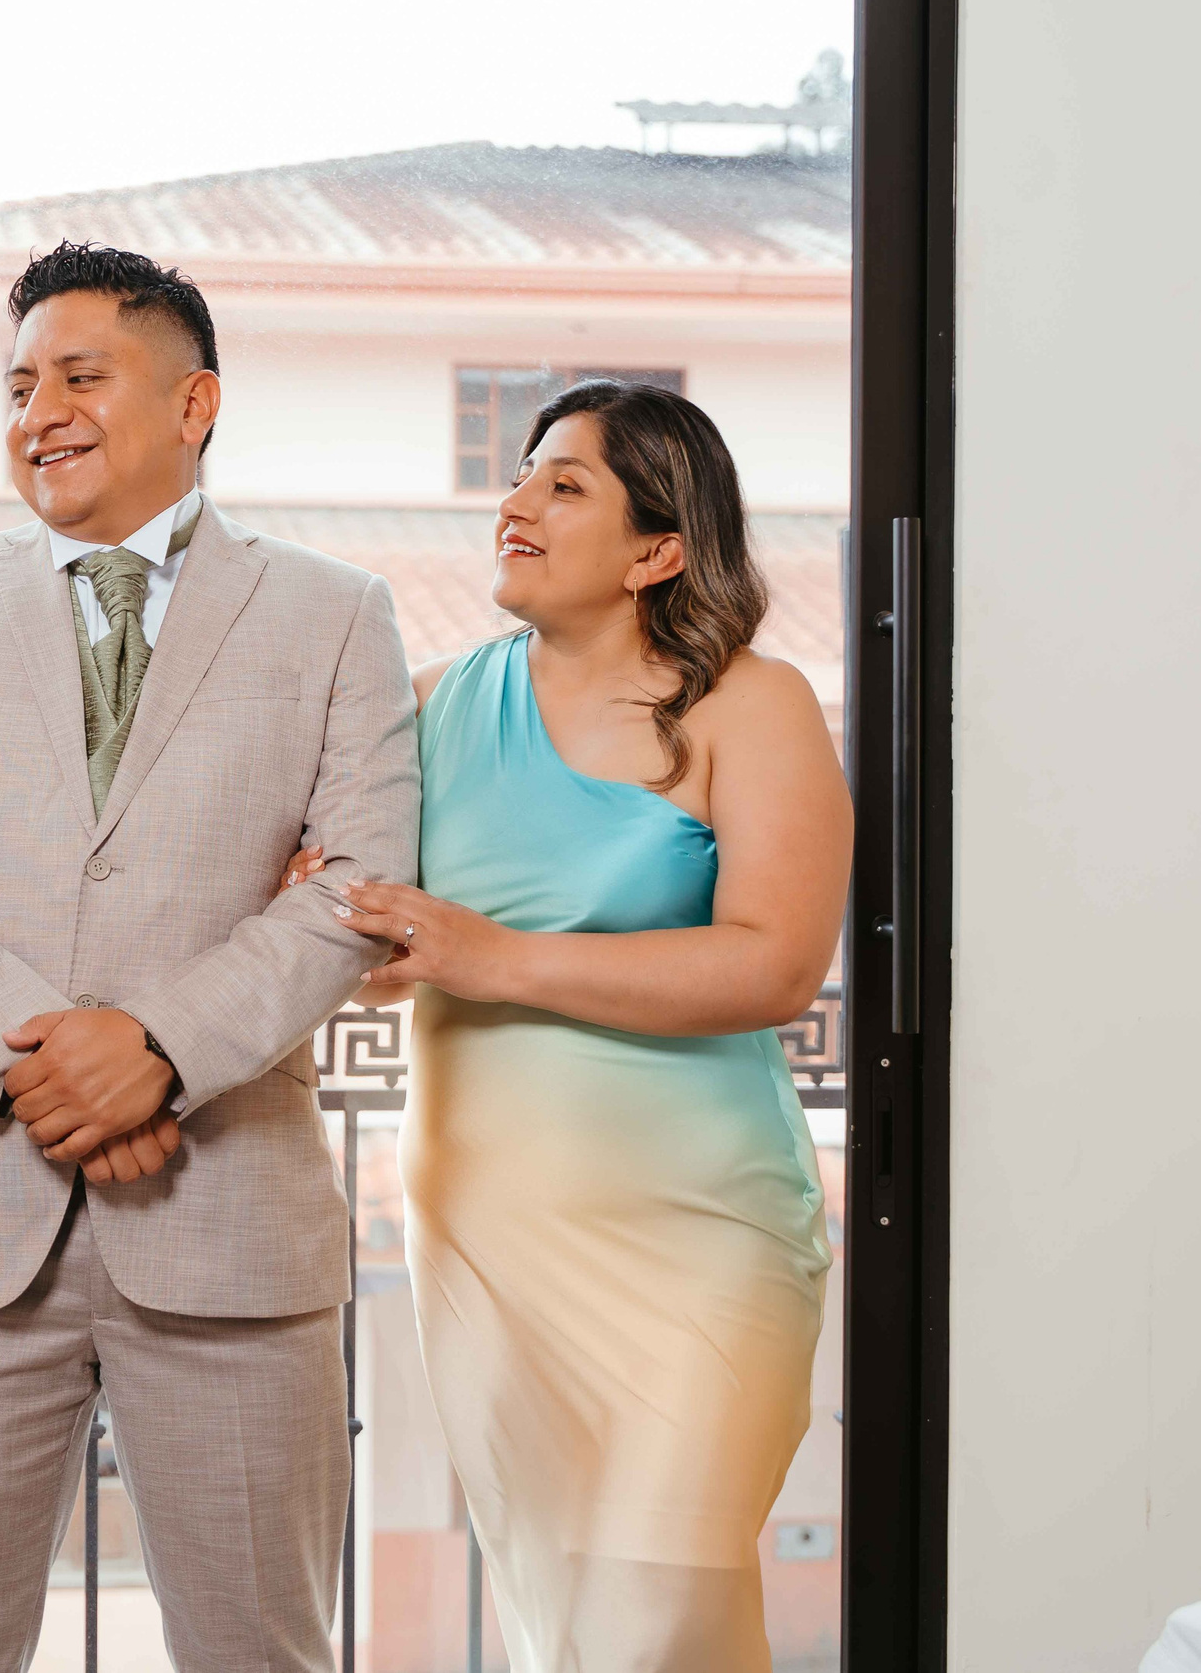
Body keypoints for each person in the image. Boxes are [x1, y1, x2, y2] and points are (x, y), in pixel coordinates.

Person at [0, 242, 419, 1672]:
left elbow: (362, 885)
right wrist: (56, 1072)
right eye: (21, 387)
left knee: (263, 1655)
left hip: (232, 1222)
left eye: (80, 377)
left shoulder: (337, 612)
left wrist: (159, 1055)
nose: (39, 415)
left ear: (195, 403)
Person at [317, 379, 850, 1670]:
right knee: (570, 1630)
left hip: (699, 1243)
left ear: (656, 551)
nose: (516, 503)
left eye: (565, 485)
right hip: (491, 1247)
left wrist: (493, 958)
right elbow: (348, 917)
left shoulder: (752, 705)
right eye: (520, 475)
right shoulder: (429, 706)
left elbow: (777, 964)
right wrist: (353, 932)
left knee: (655, 1624)